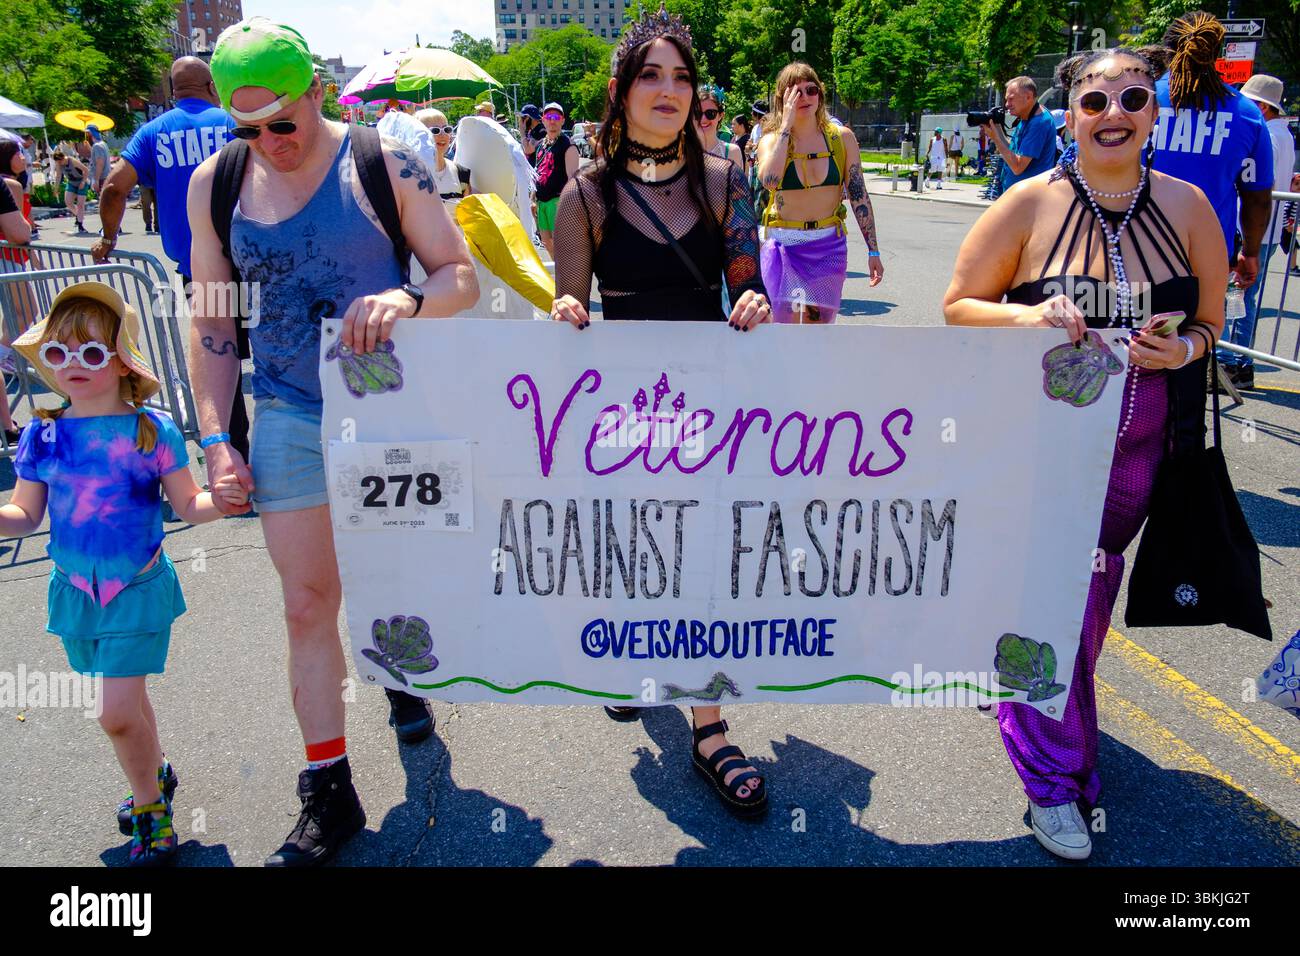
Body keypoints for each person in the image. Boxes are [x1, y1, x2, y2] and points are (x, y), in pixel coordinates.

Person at [187, 17, 478, 866]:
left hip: (390, 416)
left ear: (316, 92)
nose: (269, 142)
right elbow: (211, 324)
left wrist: (410, 302)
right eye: (249, 128)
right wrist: (215, 436)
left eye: (284, 121)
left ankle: (398, 676)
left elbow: (459, 272)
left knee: (392, 579)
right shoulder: (219, 181)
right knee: (308, 603)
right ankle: (329, 790)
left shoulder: (385, 162)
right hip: (285, 410)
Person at [943, 47, 1226, 861]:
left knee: (1088, 597)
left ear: (1153, 113)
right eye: (1095, 99)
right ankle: (1055, 781)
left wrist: (1189, 349)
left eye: (1133, 98)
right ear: (1067, 115)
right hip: (1036, 451)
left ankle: (1034, 693)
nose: (1114, 113)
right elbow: (959, 306)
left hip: (1143, 452)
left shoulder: (1190, 208)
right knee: (1056, 603)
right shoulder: (1030, 204)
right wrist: (1027, 320)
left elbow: (1210, 323)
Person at [549, 4, 774, 818]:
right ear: (622, 92)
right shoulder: (585, 195)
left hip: (710, 404)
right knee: (643, 548)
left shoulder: (725, 181)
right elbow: (569, 304)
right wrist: (565, 315)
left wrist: (752, 303)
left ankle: (708, 726)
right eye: (652, 75)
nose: (669, 89)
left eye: (682, 77)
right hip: (624, 413)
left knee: (706, 557)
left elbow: (747, 282)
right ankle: (631, 661)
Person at [2, 282, 248, 866]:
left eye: (91, 351)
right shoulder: (44, 433)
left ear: (120, 359)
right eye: (59, 353)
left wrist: (227, 499)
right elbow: (24, 513)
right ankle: (156, 772)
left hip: (136, 588)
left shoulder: (152, 429)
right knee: (129, 704)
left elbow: (190, 506)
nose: (72, 365)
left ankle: (153, 818)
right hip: (76, 592)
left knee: (114, 714)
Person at [91, 57, 247, 461]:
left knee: (218, 356)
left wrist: (108, 238)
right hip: (255, 259)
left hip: (200, 268)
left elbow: (113, 189)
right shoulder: (234, 122)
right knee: (275, 350)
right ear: (212, 86)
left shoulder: (153, 132)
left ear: (174, 90)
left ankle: (233, 455)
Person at [1150, 12, 1273, 301]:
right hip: (1208, 257)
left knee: (1127, 340)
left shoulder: (1134, 102)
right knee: (1199, 338)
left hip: (1133, 252)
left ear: (1168, 51)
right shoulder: (1247, 114)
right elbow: (1256, 196)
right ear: (1216, 54)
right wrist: (1250, 252)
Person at [754, 61, 884, 324]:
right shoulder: (770, 140)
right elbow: (769, 180)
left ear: (820, 94)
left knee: (819, 329)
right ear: (782, 99)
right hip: (785, 246)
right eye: (795, 92)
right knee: (785, 329)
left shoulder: (841, 138)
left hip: (828, 246)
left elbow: (860, 196)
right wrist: (786, 127)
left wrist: (873, 251)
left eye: (811, 89)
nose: (805, 97)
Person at [1218, 73, 1292, 389]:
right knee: (1245, 298)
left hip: (1253, 231)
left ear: (1262, 107)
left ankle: (1232, 363)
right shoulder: (1284, 135)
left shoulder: (1267, 136)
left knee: (1236, 298)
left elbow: (1254, 182)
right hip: (1267, 231)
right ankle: (1238, 362)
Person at [0, 149, 32, 446]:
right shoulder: (6, 184)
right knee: (25, 311)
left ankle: (7, 427)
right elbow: (19, 232)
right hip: (7, 258)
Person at [985, 76, 1058, 194]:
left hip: (1028, 198)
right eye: (1006, 100)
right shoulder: (1027, 117)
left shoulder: (1039, 123)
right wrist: (996, 127)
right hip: (1017, 195)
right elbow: (1012, 150)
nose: (1007, 104)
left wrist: (995, 139)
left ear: (1028, 96)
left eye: (1011, 99)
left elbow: (1018, 167)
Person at [533, 101, 579, 260]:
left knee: (562, 246)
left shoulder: (568, 145)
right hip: (542, 203)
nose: (552, 120)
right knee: (547, 243)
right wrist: (533, 199)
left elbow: (573, 179)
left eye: (556, 117)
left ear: (562, 120)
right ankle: (559, 278)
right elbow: (537, 172)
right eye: (548, 116)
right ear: (543, 120)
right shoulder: (542, 145)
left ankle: (567, 279)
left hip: (557, 201)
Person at [415, 108, 472, 201]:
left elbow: (468, 212)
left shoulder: (461, 173)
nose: (443, 135)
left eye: (447, 129)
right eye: (435, 131)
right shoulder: (410, 174)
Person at [376, 99, 439, 176]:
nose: (393, 112)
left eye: (401, 108)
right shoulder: (377, 138)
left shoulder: (420, 134)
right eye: (387, 109)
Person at [695, 85, 742, 166]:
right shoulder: (681, 151)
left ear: (720, 115)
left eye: (710, 113)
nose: (703, 119)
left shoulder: (732, 152)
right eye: (697, 113)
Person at [53, 144, 90, 233]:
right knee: (68, 202)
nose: (58, 164)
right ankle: (78, 215)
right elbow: (58, 176)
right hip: (72, 183)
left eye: (59, 161)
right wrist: (56, 188)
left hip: (81, 181)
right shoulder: (58, 164)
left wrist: (83, 182)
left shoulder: (72, 161)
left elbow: (86, 170)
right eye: (57, 162)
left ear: (62, 158)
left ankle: (80, 226)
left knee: (80, 204)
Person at [85, 124, 111, 195]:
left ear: (90, 133)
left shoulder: (97, 146)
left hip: (102, 179)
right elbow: (98, 157)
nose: (86, 136)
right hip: (106, 177)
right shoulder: (102, 144)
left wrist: (96, 180)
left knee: (104, 203)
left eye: (87, 133)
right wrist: (90, 148)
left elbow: (100, 163)